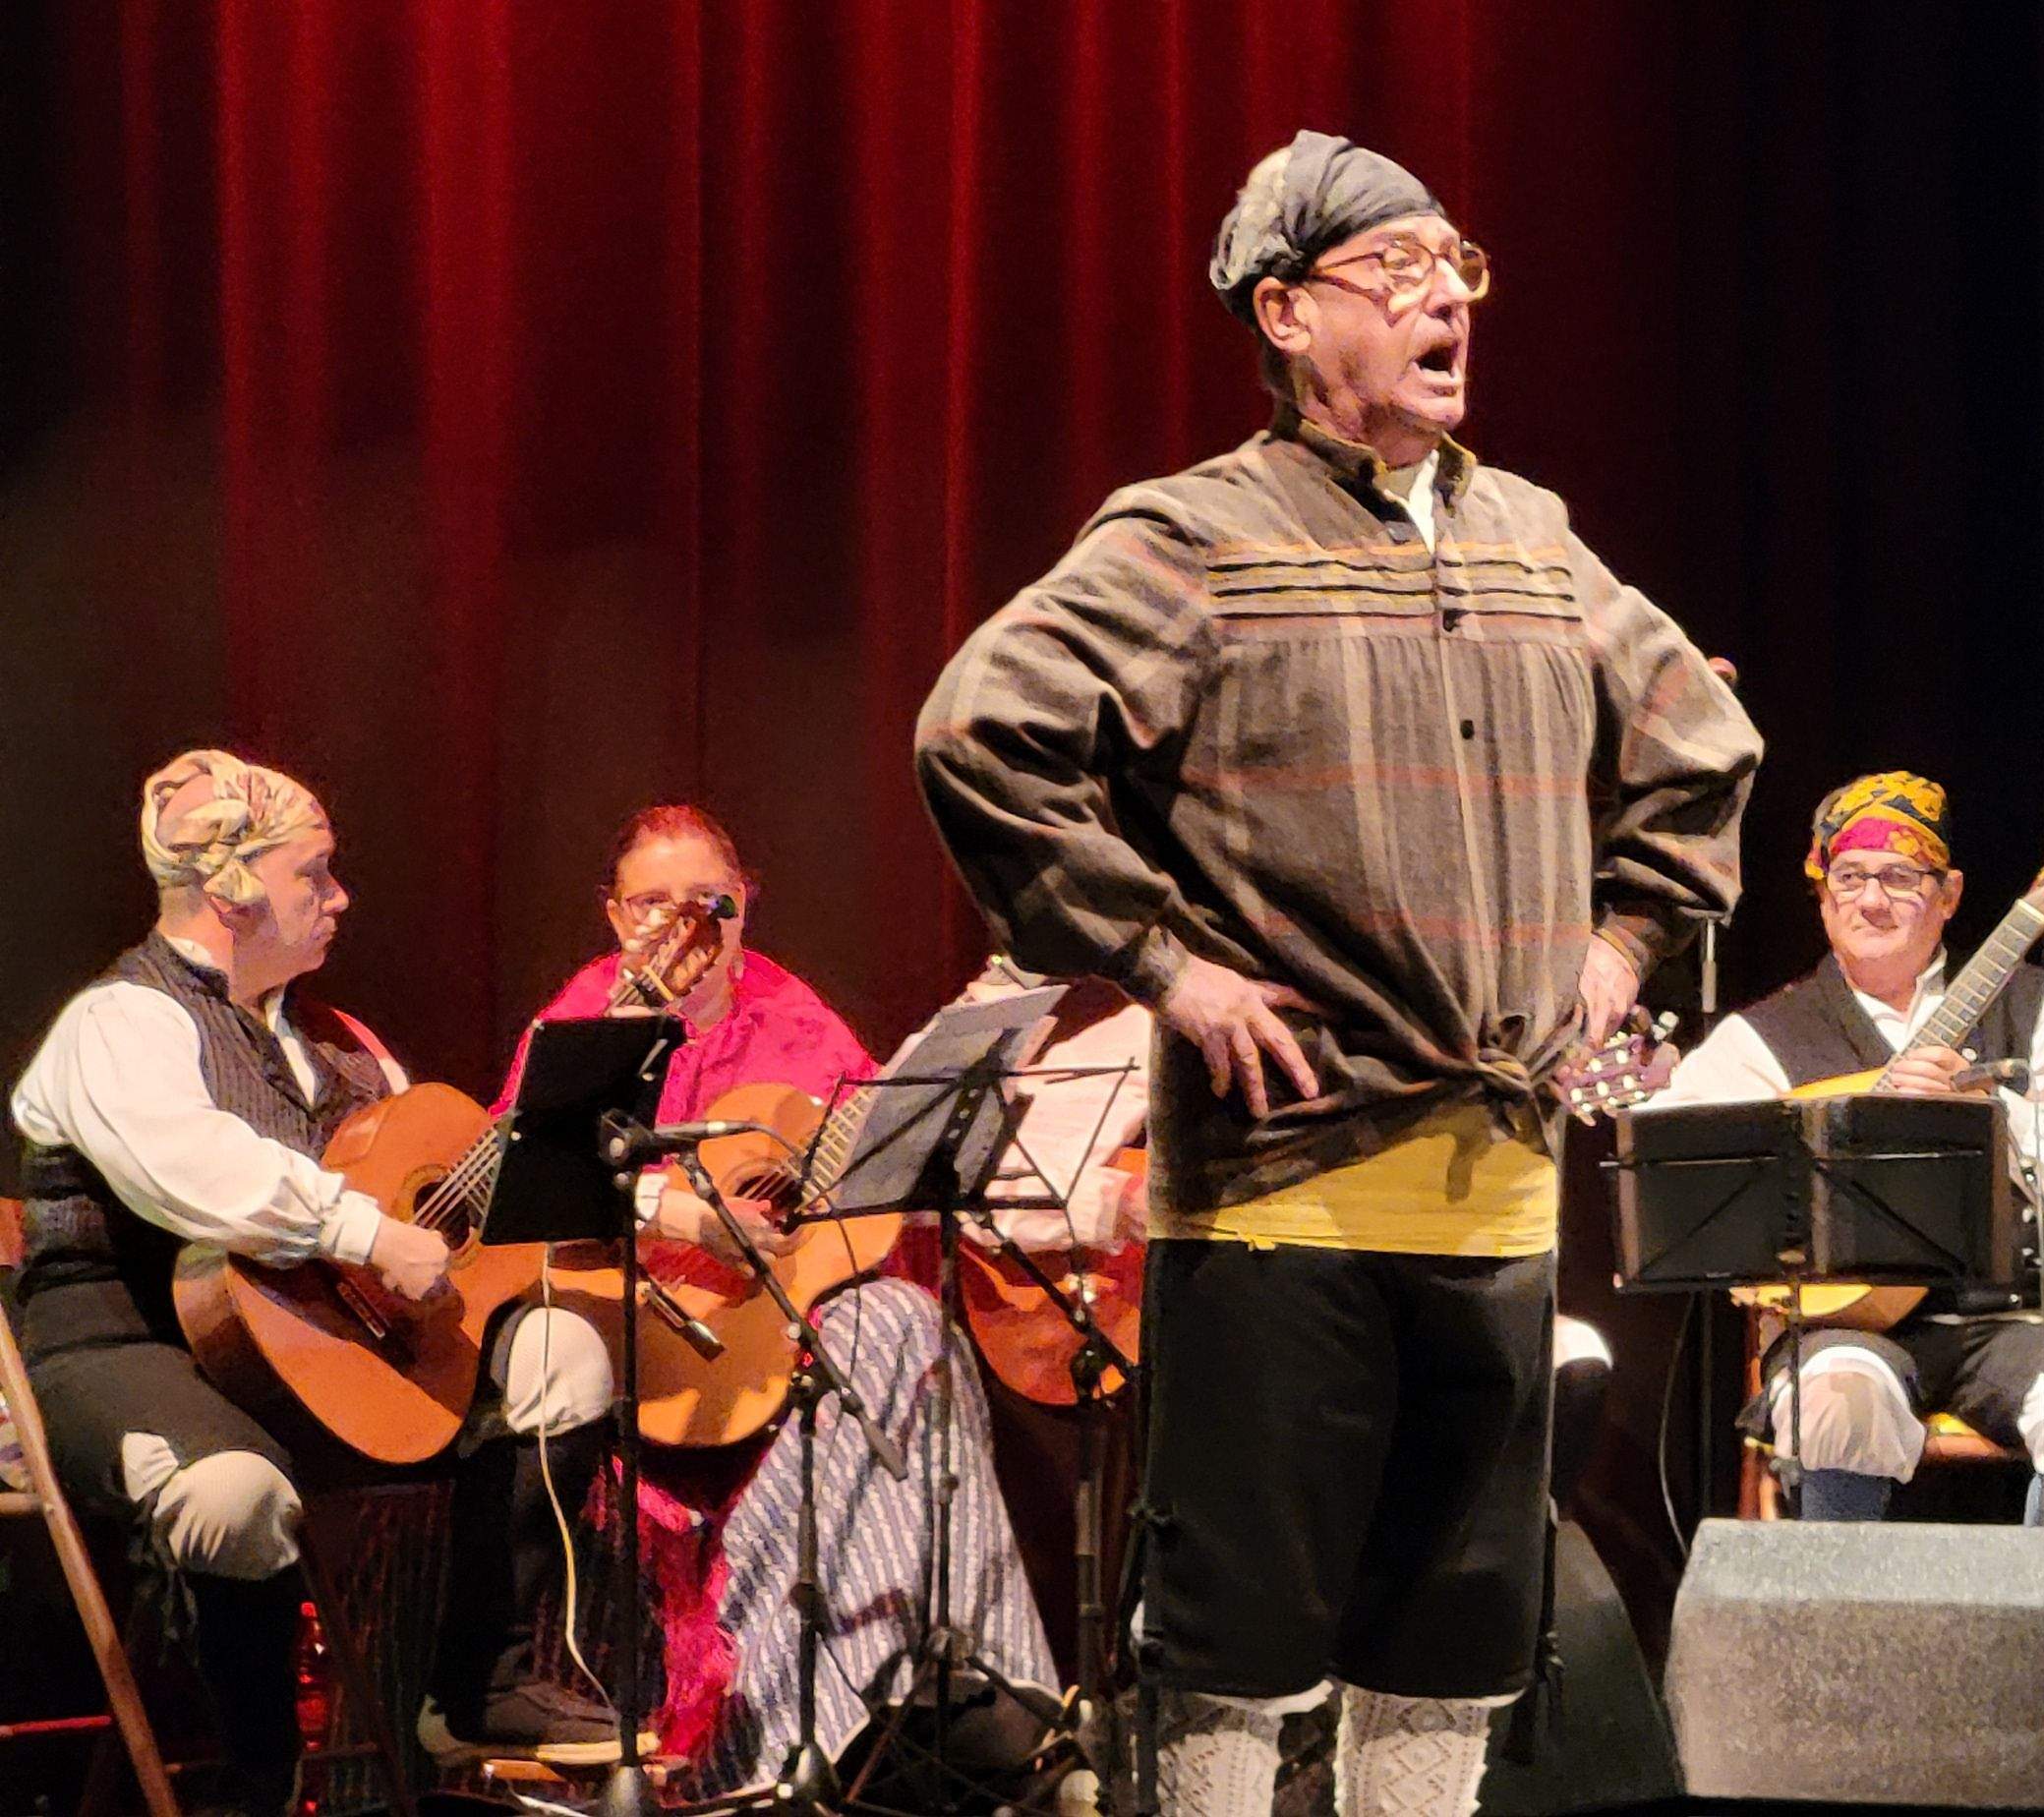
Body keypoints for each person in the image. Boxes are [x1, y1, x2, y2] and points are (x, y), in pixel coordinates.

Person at [912, 126, 1759, 1817]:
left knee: (1448, 1652)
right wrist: (1164, 963)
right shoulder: (1195, 535)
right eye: (1401, 271)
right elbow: (978, 731)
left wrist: (1625, 935)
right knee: (1236, 1651)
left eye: (1463, 269)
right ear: (1289, 313)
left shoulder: (1531, 534)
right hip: (1283, 1202)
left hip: (1501, 1203)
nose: (1448, 298)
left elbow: (1701, 739)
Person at [10, 752, 641, 1811]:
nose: (340, 897)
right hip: (126, 1346)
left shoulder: (343, 1049)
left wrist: (630, 1189)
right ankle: (259, 1784)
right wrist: (364, 1233)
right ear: (231, 888)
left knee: (564, 1353)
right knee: (234, 1494)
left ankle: (478, 1684)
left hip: (313, 1363)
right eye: (317, 873)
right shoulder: (119, 1021)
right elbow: (197, 1175)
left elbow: (457, 1193)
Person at [499, 803, 1053, 1792]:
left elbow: (865, 1190)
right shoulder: (583, 1019)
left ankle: (959, 1685)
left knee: (904, 1324)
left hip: (772, 1353)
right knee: (883, 1343)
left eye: (709, 903)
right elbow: (515, 1196)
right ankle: (793, 1735)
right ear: (613, 914)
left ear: (746, 903)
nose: (683, 930)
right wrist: (682, 1213)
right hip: (636, 1345)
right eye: (653, 906)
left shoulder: (796, 1021)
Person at [1649, 772, 2044, 1526]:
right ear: (1823, 894)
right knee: (1839, 1401)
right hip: (1838, 1326)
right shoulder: (1763, 1038)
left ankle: (2040, 1624)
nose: (1871, 900)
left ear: (1950, 894)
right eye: (1849, 877)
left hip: (2007, 1317)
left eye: (1899, 877)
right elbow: (1682, 1180)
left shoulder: (2030, 1003)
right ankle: (1845, 1634)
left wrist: (1995, 1112)